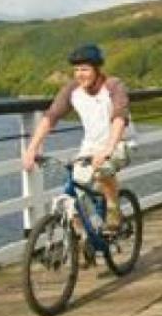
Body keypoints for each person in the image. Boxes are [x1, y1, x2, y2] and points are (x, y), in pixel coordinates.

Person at [21, 44, 131, 232]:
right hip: (90, 146)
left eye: (85, 69)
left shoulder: (113, 86)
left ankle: (113, 209)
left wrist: (108, 148)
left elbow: (119, 117)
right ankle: (83, 239)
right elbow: (50, 117)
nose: (80, 74)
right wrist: (32, 149)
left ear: (97, 70)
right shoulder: (72, 90)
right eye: (77, 70)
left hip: (119, 142)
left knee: (102, 169)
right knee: (74, 197)